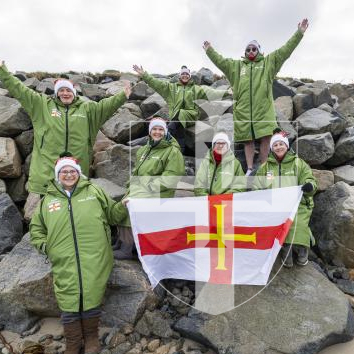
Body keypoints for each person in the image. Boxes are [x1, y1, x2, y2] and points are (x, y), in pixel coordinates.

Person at [0, 59, 131, 215]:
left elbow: (106, 106)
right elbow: (21, 91)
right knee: (41, 220)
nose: (65, 93)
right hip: (45, 178)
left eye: (68, 90)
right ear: (56, 93)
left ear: (74, 92)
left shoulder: (88, 109)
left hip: (75, 177)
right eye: (61, 90)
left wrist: (123, 96)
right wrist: (2, 72)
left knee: (72, 219)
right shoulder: (42, 105)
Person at [29, 156, 119, 354]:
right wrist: (46, 247)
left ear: (79, 173)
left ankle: (90, 337)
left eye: (72, 171)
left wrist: (126, 205)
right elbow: (36, 229)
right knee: (68, 297)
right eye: (64, 172)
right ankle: (73, 345)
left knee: (92, 293)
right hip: (64, 259)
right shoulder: (47, 201)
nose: (68, 175)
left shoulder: (94, 192)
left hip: (95, 256)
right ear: (57, 175)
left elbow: (113, 214)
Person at [202, 18, 309, 176]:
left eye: (254, 49)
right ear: (245, 52)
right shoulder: (237, 66)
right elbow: (221, 62)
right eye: (248, 49)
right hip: (244, 111)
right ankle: (250, 169)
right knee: (248, 140)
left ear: (259, 50)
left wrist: (299, 33)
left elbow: (285, 51)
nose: (251, 51)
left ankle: (265, 167)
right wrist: (210, 50)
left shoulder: (268, 63)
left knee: (266, 137)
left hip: (263, 110)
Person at [114, 118, 185, 259]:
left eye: (160, 130)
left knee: (131, 203)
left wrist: (147, 186)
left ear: (165, 132)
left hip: (159, 192)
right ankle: (120, 241)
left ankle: (127, 249)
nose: (157, 132)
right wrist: (131, 184)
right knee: (120, 203)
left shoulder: (172, 151)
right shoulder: (145, 149)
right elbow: (136, 171)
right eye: (154, 129)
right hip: (142, 187)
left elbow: (171, 178)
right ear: (150, 131)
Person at [253, 132, 317, 267]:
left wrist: (309, 186)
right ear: (271, 148)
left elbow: (309, 179)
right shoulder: (266, 167)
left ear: (287, 146)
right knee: (279, 225)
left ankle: (302, 249)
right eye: (275, 145)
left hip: (298, 204)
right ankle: (286, 249)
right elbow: (257, 185)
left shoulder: (298, 163)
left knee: (298, 224)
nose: (278, 147)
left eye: (281, 144)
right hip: (276, 206)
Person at [132, 64, 227, 155]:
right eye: (183, 74)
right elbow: (157, 84)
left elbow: (213, 93)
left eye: (187, 74)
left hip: (191, 115)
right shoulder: (171, 88)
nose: (185, 75)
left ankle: (152, 139)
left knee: (179, 116)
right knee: (179, 130)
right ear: (180, 76)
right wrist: (144, 75)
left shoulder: (196, 89)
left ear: (189, 76)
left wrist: (227, 92)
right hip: (176, 117)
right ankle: (180, 152)